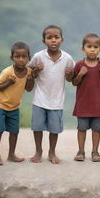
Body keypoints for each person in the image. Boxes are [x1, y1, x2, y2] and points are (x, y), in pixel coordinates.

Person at [28, 25, 75, 164]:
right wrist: (36, 70)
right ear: (44, 41)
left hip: (57, 101)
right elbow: (29, 73)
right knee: (37, 127)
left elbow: (69, 79)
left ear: (62, 39)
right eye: (49, 38)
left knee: (54, 129)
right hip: (39, 99)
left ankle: (52, 152)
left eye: (56, 37)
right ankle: (38, 151)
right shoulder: (38, 56)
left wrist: (70, 74)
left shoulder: (67, 58)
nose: (53, 40)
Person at [0, 41, 34, 165]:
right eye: (17, 56)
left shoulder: (29, 71)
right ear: (12, 58)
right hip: (0, 104)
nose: (21, 59)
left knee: (14, 131)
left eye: (24, 56)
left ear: (28, 58)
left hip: (14, 107)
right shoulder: (7, 72)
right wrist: (8, 83)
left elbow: (29, 88)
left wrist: (31, 79)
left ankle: (11, 155)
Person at [72, 33, 100, 162]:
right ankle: (80, 151)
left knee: (96, 129)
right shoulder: (79, 64)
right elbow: (74, 82)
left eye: (95, 47)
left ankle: (95, 152)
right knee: (81, 129)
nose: (92, 49)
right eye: (89, 46)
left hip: (97, 104)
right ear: (83, 49)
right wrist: (80, 75)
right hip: (83, 104)